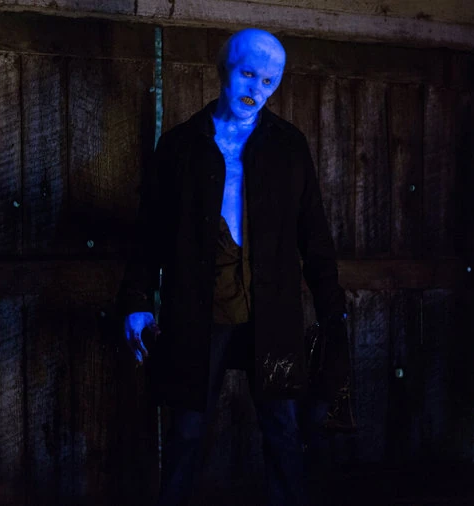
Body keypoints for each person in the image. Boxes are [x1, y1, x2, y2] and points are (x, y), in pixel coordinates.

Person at [119, 28, 349, 506]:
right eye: (248, 74)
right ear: (223, 70)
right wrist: (137, 300)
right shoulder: (180, 146)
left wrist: (333, 309)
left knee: (283, 430)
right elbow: (149, 233)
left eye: (270, 81)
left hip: (273, 313)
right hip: (199, 311)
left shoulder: (288, 146)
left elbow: (315, 235)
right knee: (186, 431)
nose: (256, 90)